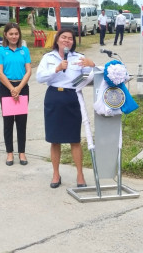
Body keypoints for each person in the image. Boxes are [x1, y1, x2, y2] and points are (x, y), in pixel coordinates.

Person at [36, 28, 96, 188]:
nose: (67, 40)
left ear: (73, 42)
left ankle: (80, 175)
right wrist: (56, 68)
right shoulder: (48, 58)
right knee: (54, 140)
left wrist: (91, 65)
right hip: (54, 97)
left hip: (72, 97)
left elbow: (90, 77)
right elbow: (39, 77)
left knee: (74, 139)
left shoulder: (79, 58)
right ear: (57, 40)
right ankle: (56, 174)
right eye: (63, 37)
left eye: (70, 38)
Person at [0, 23, 32, 166]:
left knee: (22, 121)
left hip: (22, 87)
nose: (14, 36)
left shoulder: (25, 50)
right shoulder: (0, 51)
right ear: (5, 34)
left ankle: (22, 152)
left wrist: (19, 88)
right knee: (8, 122)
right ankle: (9, 153)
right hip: (6, 88)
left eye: (16, 34)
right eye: (11, 34)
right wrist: (12, 88)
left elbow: (28, 70)